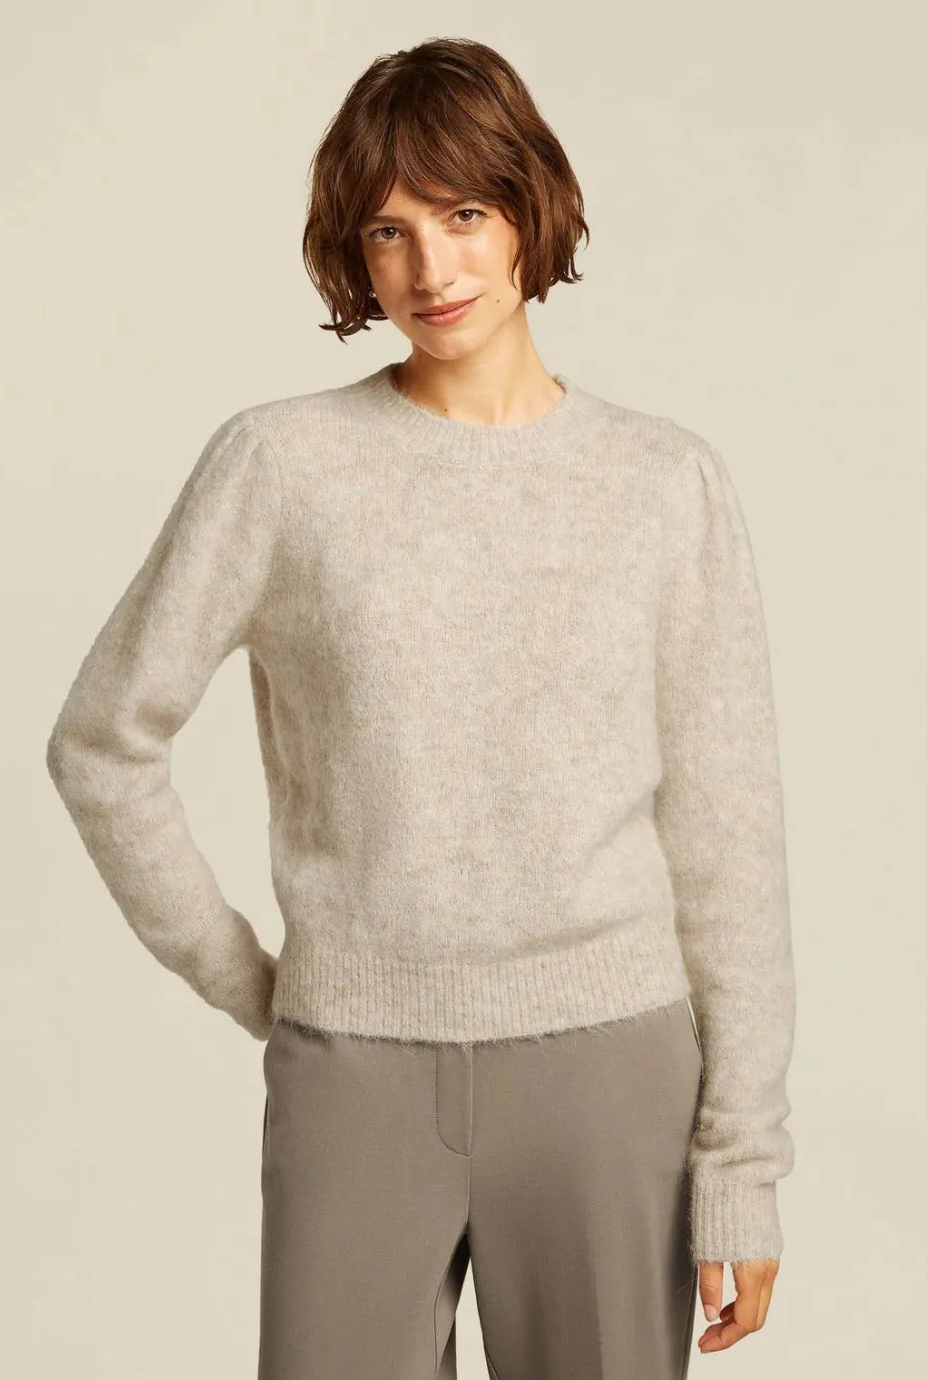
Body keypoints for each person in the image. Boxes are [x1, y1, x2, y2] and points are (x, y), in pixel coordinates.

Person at [45, 36, 796, 1379]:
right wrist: (246, 976)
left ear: (529, 213)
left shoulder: (662, 485)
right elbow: (103, 740)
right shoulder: (280, 466)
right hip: (356, 1073)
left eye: (464, 214)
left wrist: (739, 1160)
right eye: (387, 232)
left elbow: (727, 833)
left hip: (609, 1072)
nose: (430, 268)